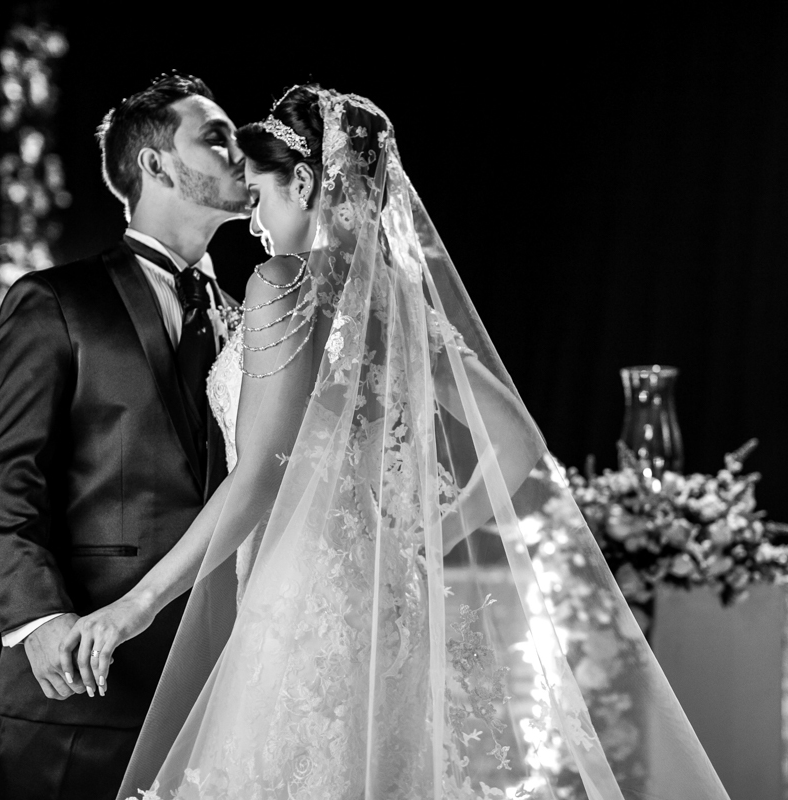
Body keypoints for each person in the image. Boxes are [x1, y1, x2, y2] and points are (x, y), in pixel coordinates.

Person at [69, 85, 730, 800]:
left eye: (258, 196)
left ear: (304, 183)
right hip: (387, 595)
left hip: (303, 603)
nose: (252, 220)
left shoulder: (281, 281)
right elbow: (518, 443)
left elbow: (259, 475)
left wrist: (138, 604)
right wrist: (427, 541)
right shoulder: (397, 300)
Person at [0, 72, 248, 799]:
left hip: (218, 692)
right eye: (216, 138)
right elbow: (7, 475)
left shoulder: (256, 316)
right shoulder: (56, 300)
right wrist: (37, 620)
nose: (240, 152)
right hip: (78, 683)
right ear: (157, 165)